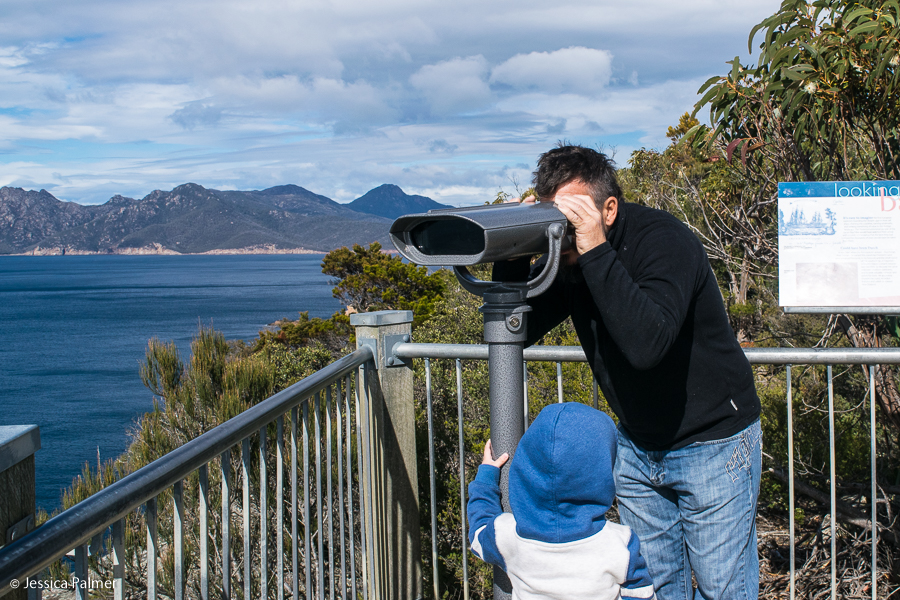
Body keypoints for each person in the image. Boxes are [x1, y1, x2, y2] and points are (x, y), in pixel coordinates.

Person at [492, 144, 762, 600]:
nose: (563, 230)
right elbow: (520, 327)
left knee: (723, 590)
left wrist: (593, 247)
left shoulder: (664, 242)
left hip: (714, 442)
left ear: (609, 209)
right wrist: (518, 246)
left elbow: (646, 346)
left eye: (571, 215)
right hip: (638, 446)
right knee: (655, 589)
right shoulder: (572, 258)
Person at [468, 402, 657, 600]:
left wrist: (487, 476)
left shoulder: (507, 537)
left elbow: (479, 531)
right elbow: (641, 594)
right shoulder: (620, 543)